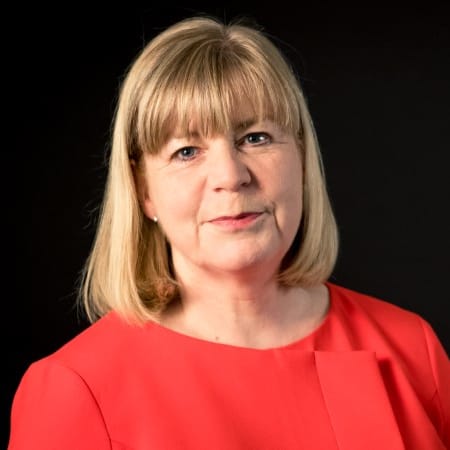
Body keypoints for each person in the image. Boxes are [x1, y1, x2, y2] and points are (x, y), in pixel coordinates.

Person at [8, 15, 449, 450]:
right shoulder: (75, 389)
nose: (231, 176)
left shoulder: (413, 349)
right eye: (186, 151)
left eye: (255, 138)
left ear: (301, 160)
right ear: (144, 192)